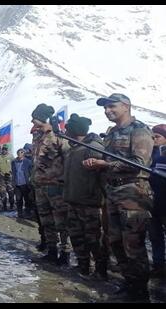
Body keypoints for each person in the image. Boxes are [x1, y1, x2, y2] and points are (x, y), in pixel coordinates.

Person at [82, 93, 153, 301]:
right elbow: (107, 161)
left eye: (111, 106)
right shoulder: (112, 133)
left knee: (133, 245)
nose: (107, 111)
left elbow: (140, 162)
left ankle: (140, 293)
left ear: (126, 106)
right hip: (112, 192)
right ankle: (129, 283)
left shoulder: (139, 130)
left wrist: (105, 164)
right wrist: (96, 165)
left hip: (133, 193)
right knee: (115, 242)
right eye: (105, 108)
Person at [63, 114, 107, 279]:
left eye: (68, 129)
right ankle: (83, 267)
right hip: (73, 200)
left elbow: (104, 174)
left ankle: (101, 271)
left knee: (93, 238)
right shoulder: (72, 149)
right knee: (77, 237)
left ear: (74, 130)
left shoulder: (94, 147)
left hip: (89, 203)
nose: (65, 132)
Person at [31, 103, 71, 265]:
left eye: (34, 118)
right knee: (46, 221)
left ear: (42, 118)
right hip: (40, 186)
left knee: (61, 222)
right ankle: (51, 250)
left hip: (56, 186)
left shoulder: (59, 136)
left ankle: (65, 253)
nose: (32, 122)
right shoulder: (37, 137)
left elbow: (68, 158)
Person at [148, 124, 166, 278]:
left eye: (157, 137)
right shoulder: (148, 154)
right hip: (152, 204)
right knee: (155, 236)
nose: (154, 139)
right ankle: (158, 265)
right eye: (152, 136)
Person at [11, 148, 33, 218]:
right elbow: (13, 172)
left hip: (26, 184)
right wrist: (13, 182)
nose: (20, 154)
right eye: (19, 153)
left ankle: (28, 213)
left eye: (22, 152)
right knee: (18, 199)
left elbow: (31, 172)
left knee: (27, 199)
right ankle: (19, 213)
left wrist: (30, 181)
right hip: (17, 184)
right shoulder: (14, 162)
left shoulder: (28, 162)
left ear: (24, 153)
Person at [0, 145, 15, 211]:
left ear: (7, 150)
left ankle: (11, 205)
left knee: (11, 192)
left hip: (9, 177)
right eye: (3, 149)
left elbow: (14, 164)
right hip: (1, 177)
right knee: (2, 192)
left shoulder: (11, 156)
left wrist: (12, 172)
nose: (4, 151)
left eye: (6, 149)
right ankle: (4, 206)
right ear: (2, 150)